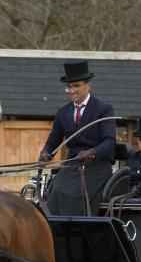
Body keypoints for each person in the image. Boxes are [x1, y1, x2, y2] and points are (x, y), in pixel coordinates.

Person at [38, 60, 116, 215]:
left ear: (88, 86)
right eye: (69, 86)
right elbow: (54, 141)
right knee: (55, 191)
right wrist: (46, 152)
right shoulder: (63, 112)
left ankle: (76, 233)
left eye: (76, 86)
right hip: (72, 165)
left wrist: (92, 152)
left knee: (74, 195)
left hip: (97, 166)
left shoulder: (104, 109)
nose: (71, 90)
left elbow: (109, 142)